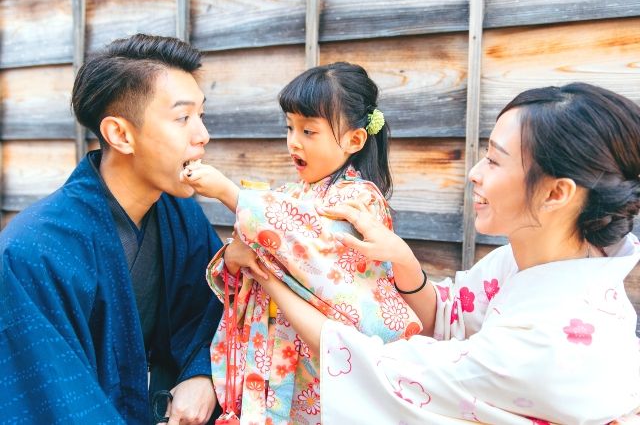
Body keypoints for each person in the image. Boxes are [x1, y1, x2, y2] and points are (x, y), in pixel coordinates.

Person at [245, 83, 640, 423]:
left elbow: (385, 372)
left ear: (557, 193)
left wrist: (268, 276)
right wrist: (403, 259)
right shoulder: (539, 259)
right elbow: (451, 315)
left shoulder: (549, 344)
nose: (475, 172)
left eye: (495, 160)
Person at [0, 34, 223, 424]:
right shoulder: (31, 252)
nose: (202, 135)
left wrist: (202, 373)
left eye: (201, 116)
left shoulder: (181, 216)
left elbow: (215, 312)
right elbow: (50, 396)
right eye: (183, 118)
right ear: (120, 134)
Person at [181, 62, 421, 423]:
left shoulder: (361, 201)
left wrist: (230, 194)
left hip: (318, 364)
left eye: (309, 131)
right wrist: (235, 257)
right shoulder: (289, 194)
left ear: (355, 140)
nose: (294, 141)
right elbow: (257, 247)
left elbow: (311, 242)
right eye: (290, 128)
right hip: (273, 352)